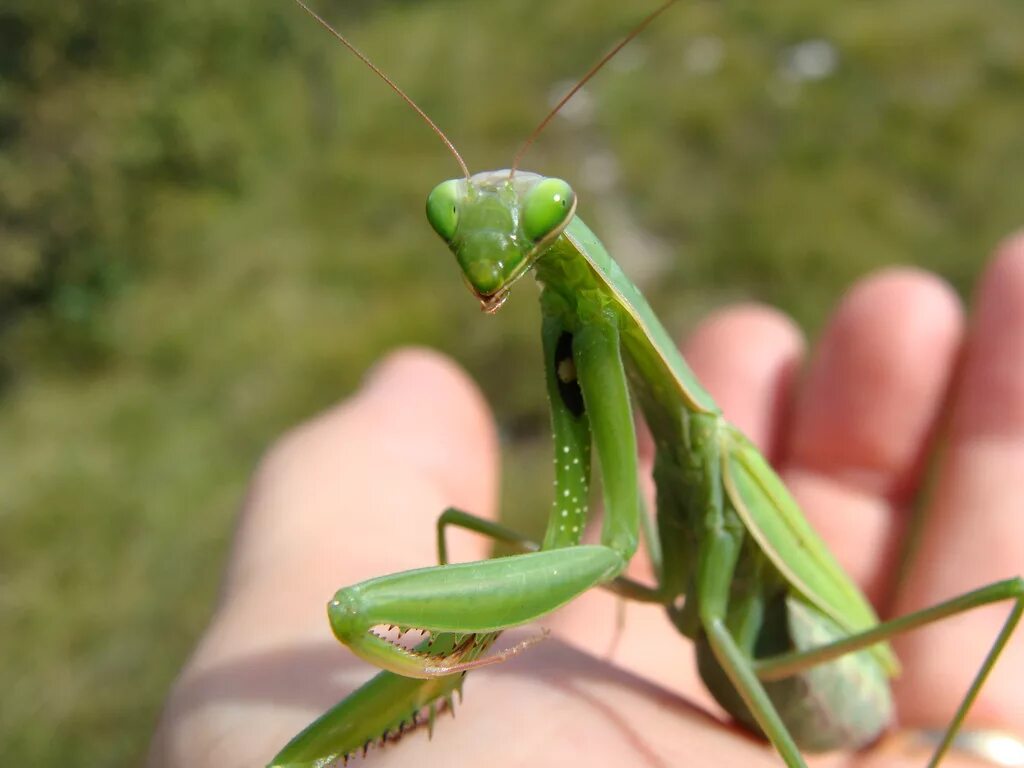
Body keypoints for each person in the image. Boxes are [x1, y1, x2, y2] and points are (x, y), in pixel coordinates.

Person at [149, 236, 1024, 767]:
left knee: (1005, 595)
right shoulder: (573, 310)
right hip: (747, 664)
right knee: (475, 534)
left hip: (822, 676)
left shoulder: (701, 434)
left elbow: (604, 555)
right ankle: (440, 693)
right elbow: (579, 540)